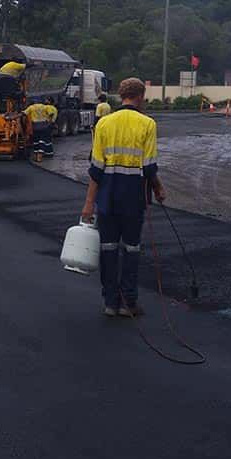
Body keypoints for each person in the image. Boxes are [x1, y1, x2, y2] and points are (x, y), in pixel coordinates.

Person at [82, 77, 165, 317]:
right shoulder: (147, 123)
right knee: (131, 249)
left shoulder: (104, 124)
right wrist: (158, 188)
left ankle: (110, 303)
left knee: (108, 249)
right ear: (140, 96)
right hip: (133, 198)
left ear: (121, 95)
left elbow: (96, 169)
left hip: (107, 197)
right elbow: (149, 167)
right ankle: (129, 302)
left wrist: (88, 204)